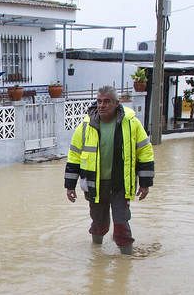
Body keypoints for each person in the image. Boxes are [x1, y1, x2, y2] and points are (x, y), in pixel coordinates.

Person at [64, 85, 155, 255]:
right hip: (95, 185)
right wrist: (69, 186)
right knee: (98, 223)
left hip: (120, 184)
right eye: (99, 101)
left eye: (107, 102)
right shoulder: (85, 126)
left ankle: (126, 261)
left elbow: (144, 151)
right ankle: (96, 254)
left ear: (116, 103)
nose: (102, 105)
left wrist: (145, 183)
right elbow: (74, 156)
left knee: (121, 224)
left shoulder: (131, 124)